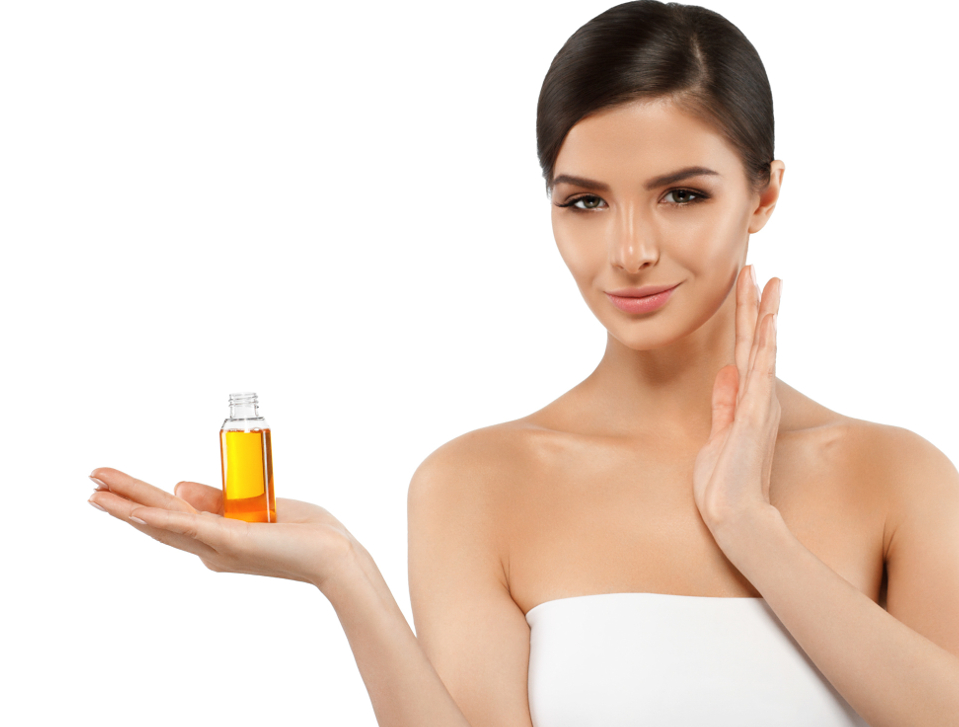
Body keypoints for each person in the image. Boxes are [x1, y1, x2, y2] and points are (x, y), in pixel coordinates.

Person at [86, 1, 959, 725]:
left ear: (764, 194)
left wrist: (753, 530)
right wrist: (344, 571)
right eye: (585, 202)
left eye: (682, 194)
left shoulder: (897, 476)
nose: (629, 250)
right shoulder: (475, 481)